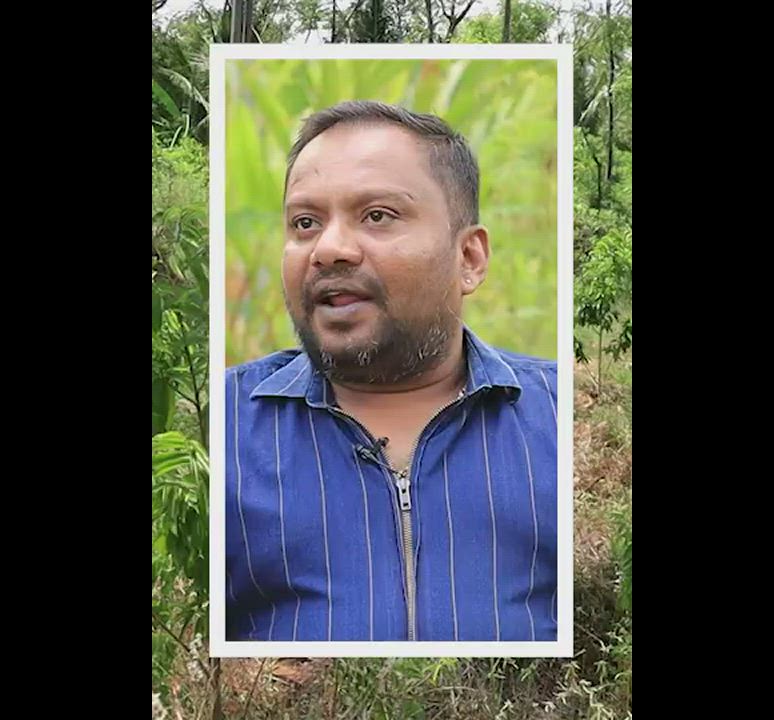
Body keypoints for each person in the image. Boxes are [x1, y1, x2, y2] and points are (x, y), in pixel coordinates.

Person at [226, 100, 557, 641]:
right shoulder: (222, 431)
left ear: (469, 259)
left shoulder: (562, 422)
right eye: (305, 223)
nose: (329, 249)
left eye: (377, 215)